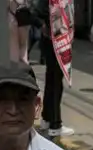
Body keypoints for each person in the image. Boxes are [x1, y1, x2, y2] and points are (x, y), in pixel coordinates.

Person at [34, 0, 75, 136]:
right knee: (56, 82)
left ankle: (46, 118)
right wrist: (47, 23)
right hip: (57, 41)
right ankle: (55, 124)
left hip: (53, 39)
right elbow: (41, 12)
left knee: (51, 80)